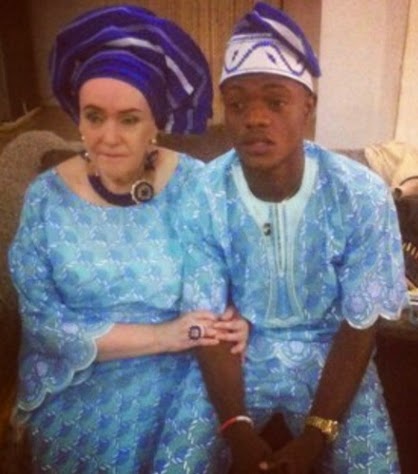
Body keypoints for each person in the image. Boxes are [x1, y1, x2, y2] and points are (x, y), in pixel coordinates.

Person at [153, 3, 408, 473]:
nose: (254, 117)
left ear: (308, 106)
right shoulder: (204, 194)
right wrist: (237, 430)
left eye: (275, 102)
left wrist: (315, 437)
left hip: (331, 351)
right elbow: (209, 322)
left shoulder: (360, 193)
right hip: (241, 350)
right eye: (238, 105)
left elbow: (359, 326)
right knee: (177, 462)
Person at [8, 5, 249, 473]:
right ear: (77, 118)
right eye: (94, 116)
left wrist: (240, 315)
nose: (108, 137)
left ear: (155, 121)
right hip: (80, 374)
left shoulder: (196, 185)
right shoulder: (45, 198)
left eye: (129, 119)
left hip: (185, 367)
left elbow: (227, 278)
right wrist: (161, 335)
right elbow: (43, 323)